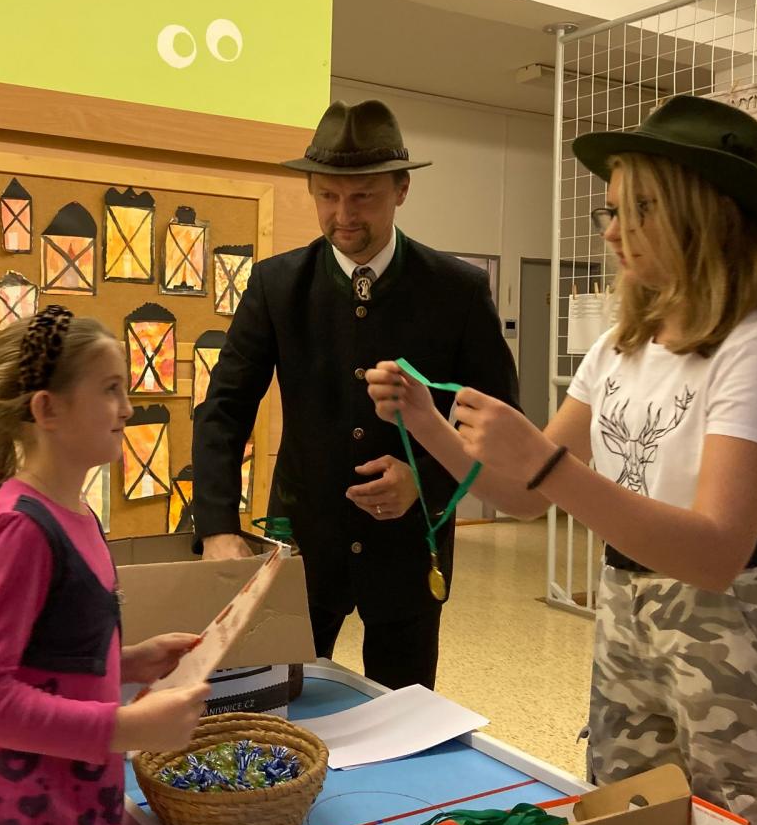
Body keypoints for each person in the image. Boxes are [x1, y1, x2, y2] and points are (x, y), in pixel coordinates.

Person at [365, 96, 757, 825]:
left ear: (704, 216)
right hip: (626, 606)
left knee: (745, 817)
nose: (614, 231)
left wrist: (547, 464)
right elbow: (522, 497)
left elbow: (716, 552)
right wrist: (425, 422)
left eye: (640, 209)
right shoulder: (620, 347)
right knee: (632, 809)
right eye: (612, 210)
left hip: (732, 630)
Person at [192, 99, 519, 691]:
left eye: (363, 196)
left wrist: (426, 480)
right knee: (281, 704)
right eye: (327, 196)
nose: (342, 215)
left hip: (410, 551)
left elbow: (499, 421)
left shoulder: (458, 291)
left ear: (402, 189)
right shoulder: (275, 285)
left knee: (404, 712)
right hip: (301, 545)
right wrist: (217, 526)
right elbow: (224, 410)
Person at [0, 306, 209, 825]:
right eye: (110, 390)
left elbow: (45, 659)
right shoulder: (18, 528)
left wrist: (125, 663)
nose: (128, 408)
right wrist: (125, 726)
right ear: (47, 409)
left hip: (65, 801)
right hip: (4, 813)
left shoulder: (78, 515)